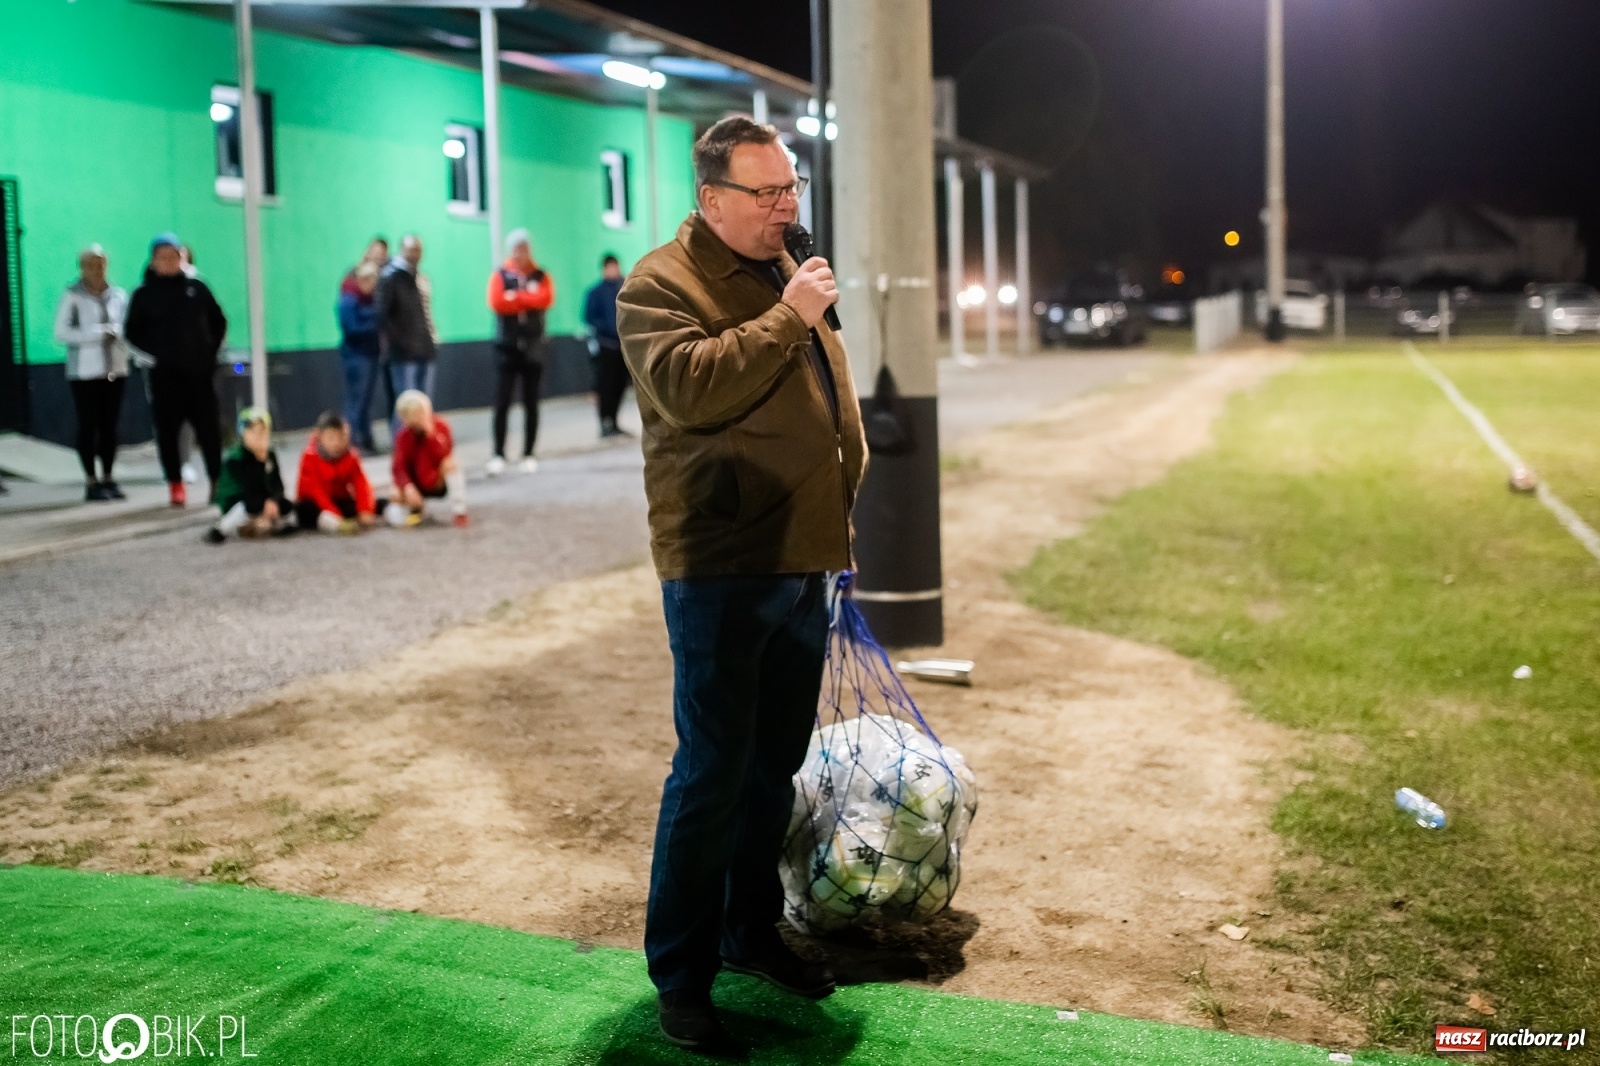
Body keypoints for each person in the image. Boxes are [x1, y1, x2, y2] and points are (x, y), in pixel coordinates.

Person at [616, 115, 866, 1052]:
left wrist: (841, 519)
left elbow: (829, 401)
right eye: (766, 194)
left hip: (803, 557)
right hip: (722, 566)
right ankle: (681, 979)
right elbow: (692, 386)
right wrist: (787, 314)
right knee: (712, 774)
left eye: (791, 189)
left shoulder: (781, 272)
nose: (785, 208)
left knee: (772, 769)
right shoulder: (658, 285)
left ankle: (749, 930)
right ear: (711, 198)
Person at [123, 233, 227, 508]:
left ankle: (217, 481)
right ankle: (176, 484)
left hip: (200, 376)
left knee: (209, 432)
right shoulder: (143, 294)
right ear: (154, 261)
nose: (170, 261)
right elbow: (131, 334)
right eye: (164, 257)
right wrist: (155, 358)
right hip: (165, 378)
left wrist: (210, 354)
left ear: (182, 257)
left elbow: (219, 321)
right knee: (168, 434)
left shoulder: (197, 287)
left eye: (175, 256)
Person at [53, 245, 130, 501]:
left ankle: (109, 477)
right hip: (84, 372)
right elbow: (61, 332)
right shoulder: (72, 295)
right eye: (91, 264)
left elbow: (130, 327)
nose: (96, 269)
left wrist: (118, 332)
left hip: (115, 369)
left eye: (101, 263)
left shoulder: (118, 295)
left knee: (110, 426)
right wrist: (97, 334)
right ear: (82, 267)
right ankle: (91, 480)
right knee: (89, 426)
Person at [485, 228, 555, 476]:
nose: (521, 253)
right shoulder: (500, 275)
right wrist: (526, 298)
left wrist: (517, 297)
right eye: (517, 248)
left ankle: (529, 452)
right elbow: (497, 302)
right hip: (506, 349)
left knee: (531, 403)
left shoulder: (541, 274)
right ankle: (498, 453)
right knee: (502, 403)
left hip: (534, 349)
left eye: (524, 248)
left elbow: (545, 299)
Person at [376, 235, 436, 437]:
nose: (415, 254)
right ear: (402, 250)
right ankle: (402, 445)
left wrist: (430, 341)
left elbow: (425, 315)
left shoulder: (419, 278)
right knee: (406, 404)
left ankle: (423, 444)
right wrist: (399, 343)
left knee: (423, 404)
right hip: (402, 354)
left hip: (424, 350)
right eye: (411, 249)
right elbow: (382, 316)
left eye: (418, 250)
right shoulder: (390, 278)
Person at [205, 407, 289, 543]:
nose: (259, 436)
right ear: (243, 433)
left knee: (287, 505)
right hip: (238, 500)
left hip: (262, 498)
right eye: (252, 431)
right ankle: (221, 529)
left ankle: (263, 522)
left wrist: (273, 499)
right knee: (249, 504)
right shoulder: (235, 458)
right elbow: (249, 487)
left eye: (263, 431)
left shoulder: (270, 455)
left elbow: (278, 484)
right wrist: (260, 463)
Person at [387, 389, 467, 528]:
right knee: (394, 493)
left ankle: (460, 511)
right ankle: (415, 511)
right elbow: (398, 467)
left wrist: (431, 435)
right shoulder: (403, 436)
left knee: (451, 464)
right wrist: (408, 487)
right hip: (416, 484)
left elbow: (445, 453)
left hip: (437, 481)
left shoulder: (441, 426)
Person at [295, 411, 378, 534]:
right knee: (305, 510)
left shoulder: (351, 456)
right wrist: (336, 516)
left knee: (368, 504)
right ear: (320, 437)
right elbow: (317, 492)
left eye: (340, 437)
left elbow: (361, 484)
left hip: (338, 499)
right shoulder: (309, 457)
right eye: (331, 438)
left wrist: (365, 510)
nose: (336, 443)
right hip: (315, 503)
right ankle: (335, 523)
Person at [337, 261, 382, 453]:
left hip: (371, 354)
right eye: (365, 278)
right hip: (356, 357)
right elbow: (352, 329)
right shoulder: (348, 301)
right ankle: (351, 443)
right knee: (355, 402)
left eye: (373, 279)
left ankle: (366, 441)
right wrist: (376, 322)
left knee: (365, 403)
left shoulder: (372, 300)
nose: (370, 283)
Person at [583, 254, 630, 438]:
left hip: (623, 346)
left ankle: (615, 421)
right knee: (605, 386)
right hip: (605, 346)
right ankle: (604, 422)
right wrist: (607, 329)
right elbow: (589, 317)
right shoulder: (595, 292)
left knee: (620, 384)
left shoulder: (626, 288)